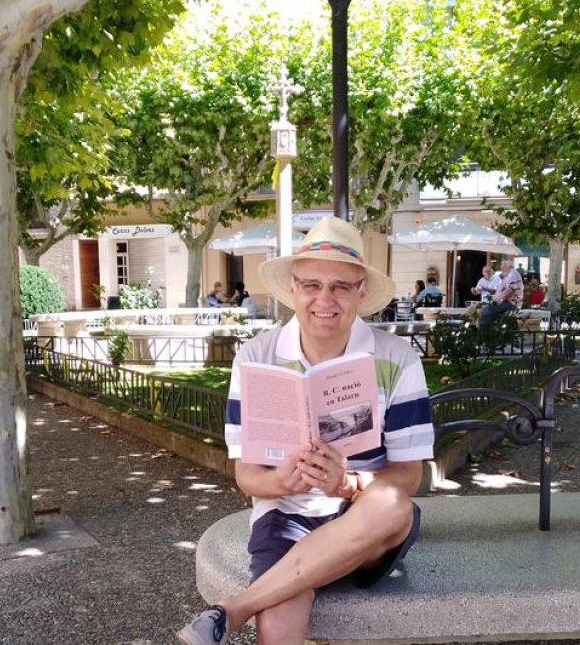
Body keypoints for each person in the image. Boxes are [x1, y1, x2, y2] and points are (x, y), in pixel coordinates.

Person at [177, 216, 434, 645]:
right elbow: (246, 475)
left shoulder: (397, 357)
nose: (324, 299)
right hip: (286, 514)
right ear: (293, 290)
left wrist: (349, 483)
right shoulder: (256, 357)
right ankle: (270, 593)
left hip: (366, 520)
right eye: (311, 285)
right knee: (277, 629)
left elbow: (410, 475)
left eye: (339, 286)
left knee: (392, 503)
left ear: (361, 292)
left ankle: (233, 610)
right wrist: (280, 481)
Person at [479, 259, 522, 330]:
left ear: (507, 267)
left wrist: (500, 301)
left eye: (502, 267)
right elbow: (499, 290)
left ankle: (484, 335)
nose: (501, 269)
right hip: (504, 301)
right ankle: (488, 332)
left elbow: (512, 289)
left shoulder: (512, 273)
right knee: (482, 308)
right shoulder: (506, 275)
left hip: (511, 302)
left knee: (487, 311)